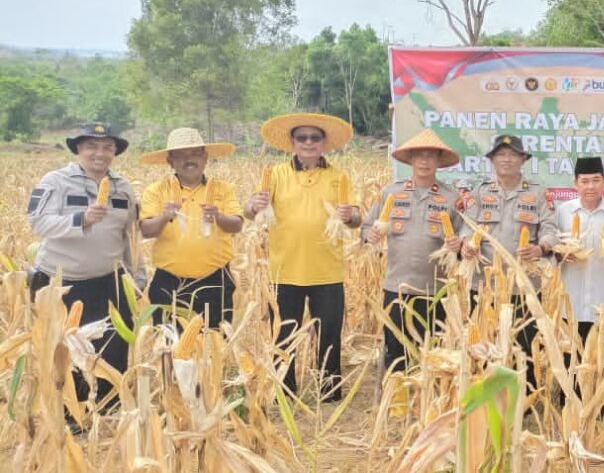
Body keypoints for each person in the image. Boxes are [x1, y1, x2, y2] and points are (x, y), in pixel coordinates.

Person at [244, 113, 361, 401]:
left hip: (327, 271)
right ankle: (285, 392)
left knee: (330, 335)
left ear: (323, 143)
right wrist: (251, 205)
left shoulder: (338, 177)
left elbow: (357, 218)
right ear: (293, 143)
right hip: (284, 271)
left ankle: (330, 392)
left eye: (315, 138)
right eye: (302, 138)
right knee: (283, 335)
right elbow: (250, 213)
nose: (308, 143)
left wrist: (350, 216)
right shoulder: (276, 175)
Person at [27, 122, 139, 410]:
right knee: (65, 354)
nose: (99, 153)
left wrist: (137, 278)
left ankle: (108, 410)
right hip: (60, 283)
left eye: (107, 147)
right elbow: (37, 222)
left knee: (113, 349)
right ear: (78, 148)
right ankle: (69, 413)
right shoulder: (56, 182)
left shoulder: (123, 188)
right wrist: (82, 219)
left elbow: (129, 237)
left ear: (114, 151)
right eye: (91, 146)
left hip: (108, 283)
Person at [459, 133, 558, 389]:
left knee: (523, 343)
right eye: (501, 155)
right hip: (483, 285)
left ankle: (524, 398)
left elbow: (550, 229)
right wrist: (467, 245)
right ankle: (486, 391)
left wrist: (540, 248)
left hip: (523, 286)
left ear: (522, 159)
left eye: (512, 154)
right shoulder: (480, 193)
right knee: (484, 341)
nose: (507, 159)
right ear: (492, 160)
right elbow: (466, 227)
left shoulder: (537, 194)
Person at [363, 129, 462, 373]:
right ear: (410, 161)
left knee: (432, 351)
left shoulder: (451, 198)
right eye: (419, 156)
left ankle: (427, 404)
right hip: (397, 287)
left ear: (439, 161)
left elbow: (464, 238)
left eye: (430, 156)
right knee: (396, 351)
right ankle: (397, 401)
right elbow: (366, 227)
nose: (425, 161)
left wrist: (458, 245)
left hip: (435, 290)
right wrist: (370, 235)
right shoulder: (391, 193)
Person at [138, 127, 243, 328]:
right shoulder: (156, 191)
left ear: (205, 158)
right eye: (181, 156)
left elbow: (237, 225)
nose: (190, 160)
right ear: (170, 162)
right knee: (170, 348)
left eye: (195, 154)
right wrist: (164, 217)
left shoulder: (223, 189)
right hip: (170, 284)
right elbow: (146, 230)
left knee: (214, 345)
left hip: (215, 280)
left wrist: (218, 216)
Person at [555, 156, 604, 341]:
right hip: (570, 307)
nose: (590, 186)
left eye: (596, 180)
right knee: (571, 364)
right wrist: (562, 253)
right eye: (584, 181)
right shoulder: (563, 212)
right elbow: (552, 252)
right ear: (575, 183)